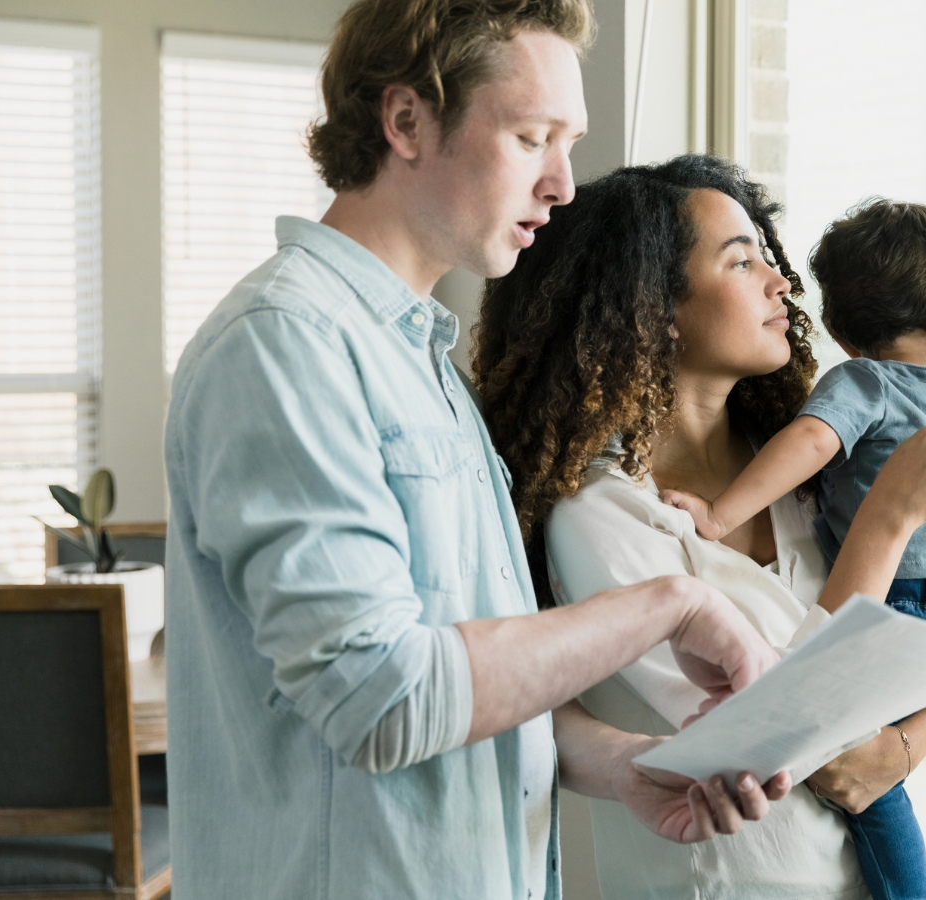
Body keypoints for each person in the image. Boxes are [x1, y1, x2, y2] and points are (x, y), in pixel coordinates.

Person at [164, 4, 790, 898]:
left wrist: (624, 765)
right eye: (533, 137)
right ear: (407, 121)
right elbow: (380, 696)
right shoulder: (283, 344)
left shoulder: (426, 367)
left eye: (568, 142)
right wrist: (670, 605)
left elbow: (467, 682)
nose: (563, 185)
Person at [474, 155, 926, 900]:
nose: (782, 282)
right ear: (653, 306)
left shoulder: (800, 466)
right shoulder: (601, 513)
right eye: (742, 260)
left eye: (770, 256)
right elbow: (787, 728)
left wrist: (899, 752)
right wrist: (887, 521)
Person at [658, 197, 926, 900]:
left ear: (842, 332)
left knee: (870, 791)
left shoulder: (863, 383)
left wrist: (720, 515)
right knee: (877, 768)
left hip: (895, 612)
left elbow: (811, 443)